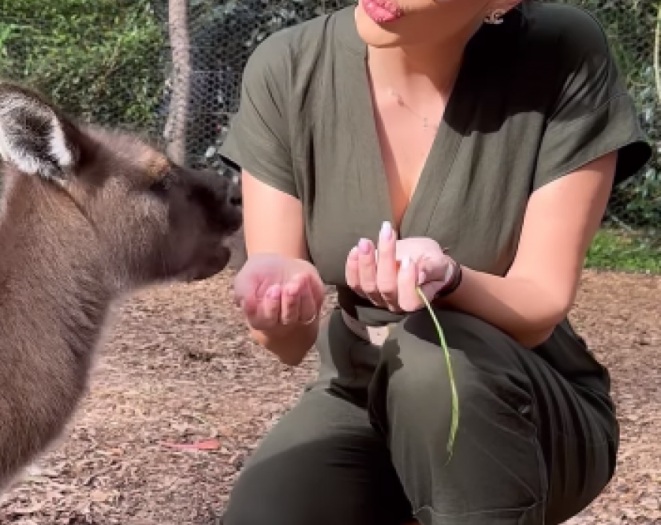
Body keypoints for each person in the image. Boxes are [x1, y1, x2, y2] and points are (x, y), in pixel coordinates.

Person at [219, 0, 653, 524]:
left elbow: (542, 303)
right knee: (268, 512)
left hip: (521, 401)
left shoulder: (562, 53)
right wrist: (280, 305)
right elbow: (286, 344)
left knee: (433, 367)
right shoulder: (286, 68)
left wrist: (450, 278)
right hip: (359, 389)